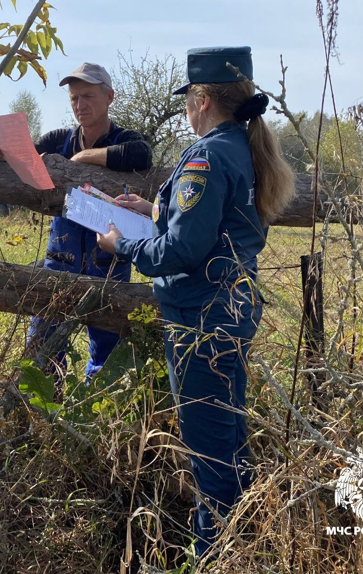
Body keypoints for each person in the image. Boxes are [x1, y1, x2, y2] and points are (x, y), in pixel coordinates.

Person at [96, 46, 295, 558]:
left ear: (203, 99)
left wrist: (124, 245)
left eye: (189, 99)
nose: (186, 108)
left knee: (207, 445)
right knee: (228, 429)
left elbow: (182, 249)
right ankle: (250, 540)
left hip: (201, 318)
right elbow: (209, 220)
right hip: (230, 307)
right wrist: (155, 207)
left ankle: (213, 554)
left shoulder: (208, 154)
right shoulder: (238, 147)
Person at [0, 62, 153, 392]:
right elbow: (21, 155)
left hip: (109, 261)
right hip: (61, 258)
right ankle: (42, 414)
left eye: (88, 96)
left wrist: (85, 157)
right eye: (74, 98)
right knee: (43, 344)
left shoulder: (125, 139)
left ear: (110, 97)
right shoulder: (59, 138)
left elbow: (142, 154)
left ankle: (96, 418)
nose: (79, 105)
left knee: (106, 349)